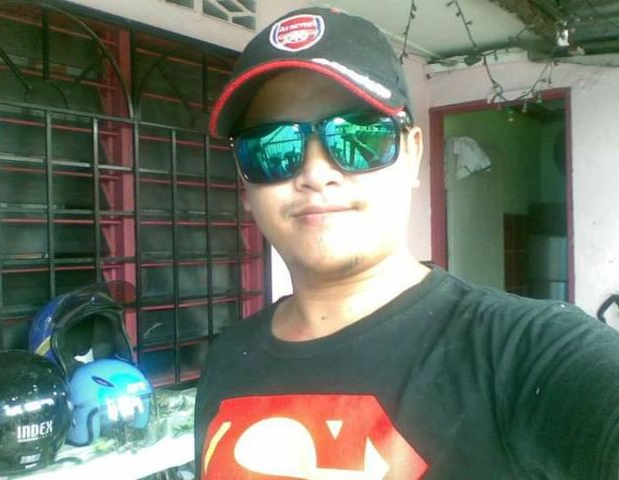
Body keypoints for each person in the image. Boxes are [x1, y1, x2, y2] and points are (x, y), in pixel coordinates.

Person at [194, 7, 619, 479]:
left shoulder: (523, 353)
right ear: (246, 185)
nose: (315, 173)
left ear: (412, 152)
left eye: (359, 135)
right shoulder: (227, 359)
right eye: (272, 146)